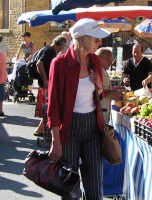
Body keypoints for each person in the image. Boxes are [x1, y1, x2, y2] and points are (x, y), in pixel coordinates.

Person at [46, 18, 110, 200]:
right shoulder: (59, 64)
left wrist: (99, 85)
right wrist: (55, 140)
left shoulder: (95, 61)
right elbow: (53, 106)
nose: (100, 42)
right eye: (96, 39)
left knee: (95, 186)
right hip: (69, 129)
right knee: (69, 188)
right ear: (81, 39)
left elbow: (100, 95)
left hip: (92, 128)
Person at [33, 36, 68, 137]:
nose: (63, 48)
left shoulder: (49, 50)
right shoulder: (50, 51)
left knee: (47, 106)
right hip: (46, 83)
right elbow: (39, 64)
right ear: (61, 45)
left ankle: (41, 129)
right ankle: (41, 129)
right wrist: (45, 79)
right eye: (64, 46)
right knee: (48, 106)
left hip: (46, 82)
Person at [96, 48, 123, 124]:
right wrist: (109, 94)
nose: (111, 63)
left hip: (104, 114)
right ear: (99, 57)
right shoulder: (96, 70)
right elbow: (92, 92)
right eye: (109, 60)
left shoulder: (103, 70)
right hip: (97, 116)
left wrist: (113, 94)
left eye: (112, 61)